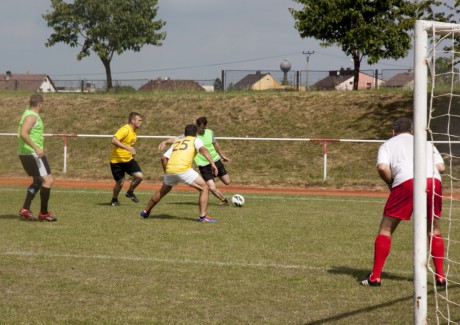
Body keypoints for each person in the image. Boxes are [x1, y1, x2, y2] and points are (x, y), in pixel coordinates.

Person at [361, 117, 446, 287]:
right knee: (434, 228)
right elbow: (442, 168)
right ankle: (441, 277)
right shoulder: (426, 143)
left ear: (393, 132)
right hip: (433, 181)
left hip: (406, 182)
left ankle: (375, 277)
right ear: (412, 131)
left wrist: (391, 182)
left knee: (386, 229)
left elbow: (382, 168)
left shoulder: (388, 144)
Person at [141, 124, 218, 223]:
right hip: (183, 169)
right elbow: (203, 149)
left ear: (185, 134)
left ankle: (146, 211)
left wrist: (167, 173)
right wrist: (212, 164)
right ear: (196, 133)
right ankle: (203, 217)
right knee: (205, 187)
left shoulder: (178, 142)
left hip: (170, 169)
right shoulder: (196, 140)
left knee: (162, 191)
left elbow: (163, 158)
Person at [158, 116, 231, 205]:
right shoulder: (191, 135)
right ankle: (224, 201)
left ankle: (214, 178)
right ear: (197, 126)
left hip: (215, 160)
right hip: (203, 165)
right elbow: (175, 139)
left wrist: (222, 155)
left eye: (204, 128)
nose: (202, 130)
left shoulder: (210, 132)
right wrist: (165, 142)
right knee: (211, 187)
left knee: (227, 181)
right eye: (201, 128)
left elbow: (215, 144)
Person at [18, 94, 57, 221]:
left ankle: (25, 209)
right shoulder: (32, 116)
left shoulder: (27, 114)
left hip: (26, 153)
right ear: (40, 104)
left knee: (38, 181)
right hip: (32, 153)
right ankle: (44, 213)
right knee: (48, 181)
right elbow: (23, 133)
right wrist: (36, 147)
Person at [109, 112, 144, 206]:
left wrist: (131, 151)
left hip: (128, 160)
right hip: (116, 161)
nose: (141, 122)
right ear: (132, 121)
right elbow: (114, 140)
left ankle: (130, 192)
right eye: (139, 120)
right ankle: (114, 200)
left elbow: (130, 144)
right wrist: (127, 148)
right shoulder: (125, 129)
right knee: (120, 182)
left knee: (139, 176)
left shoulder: (135, 131)